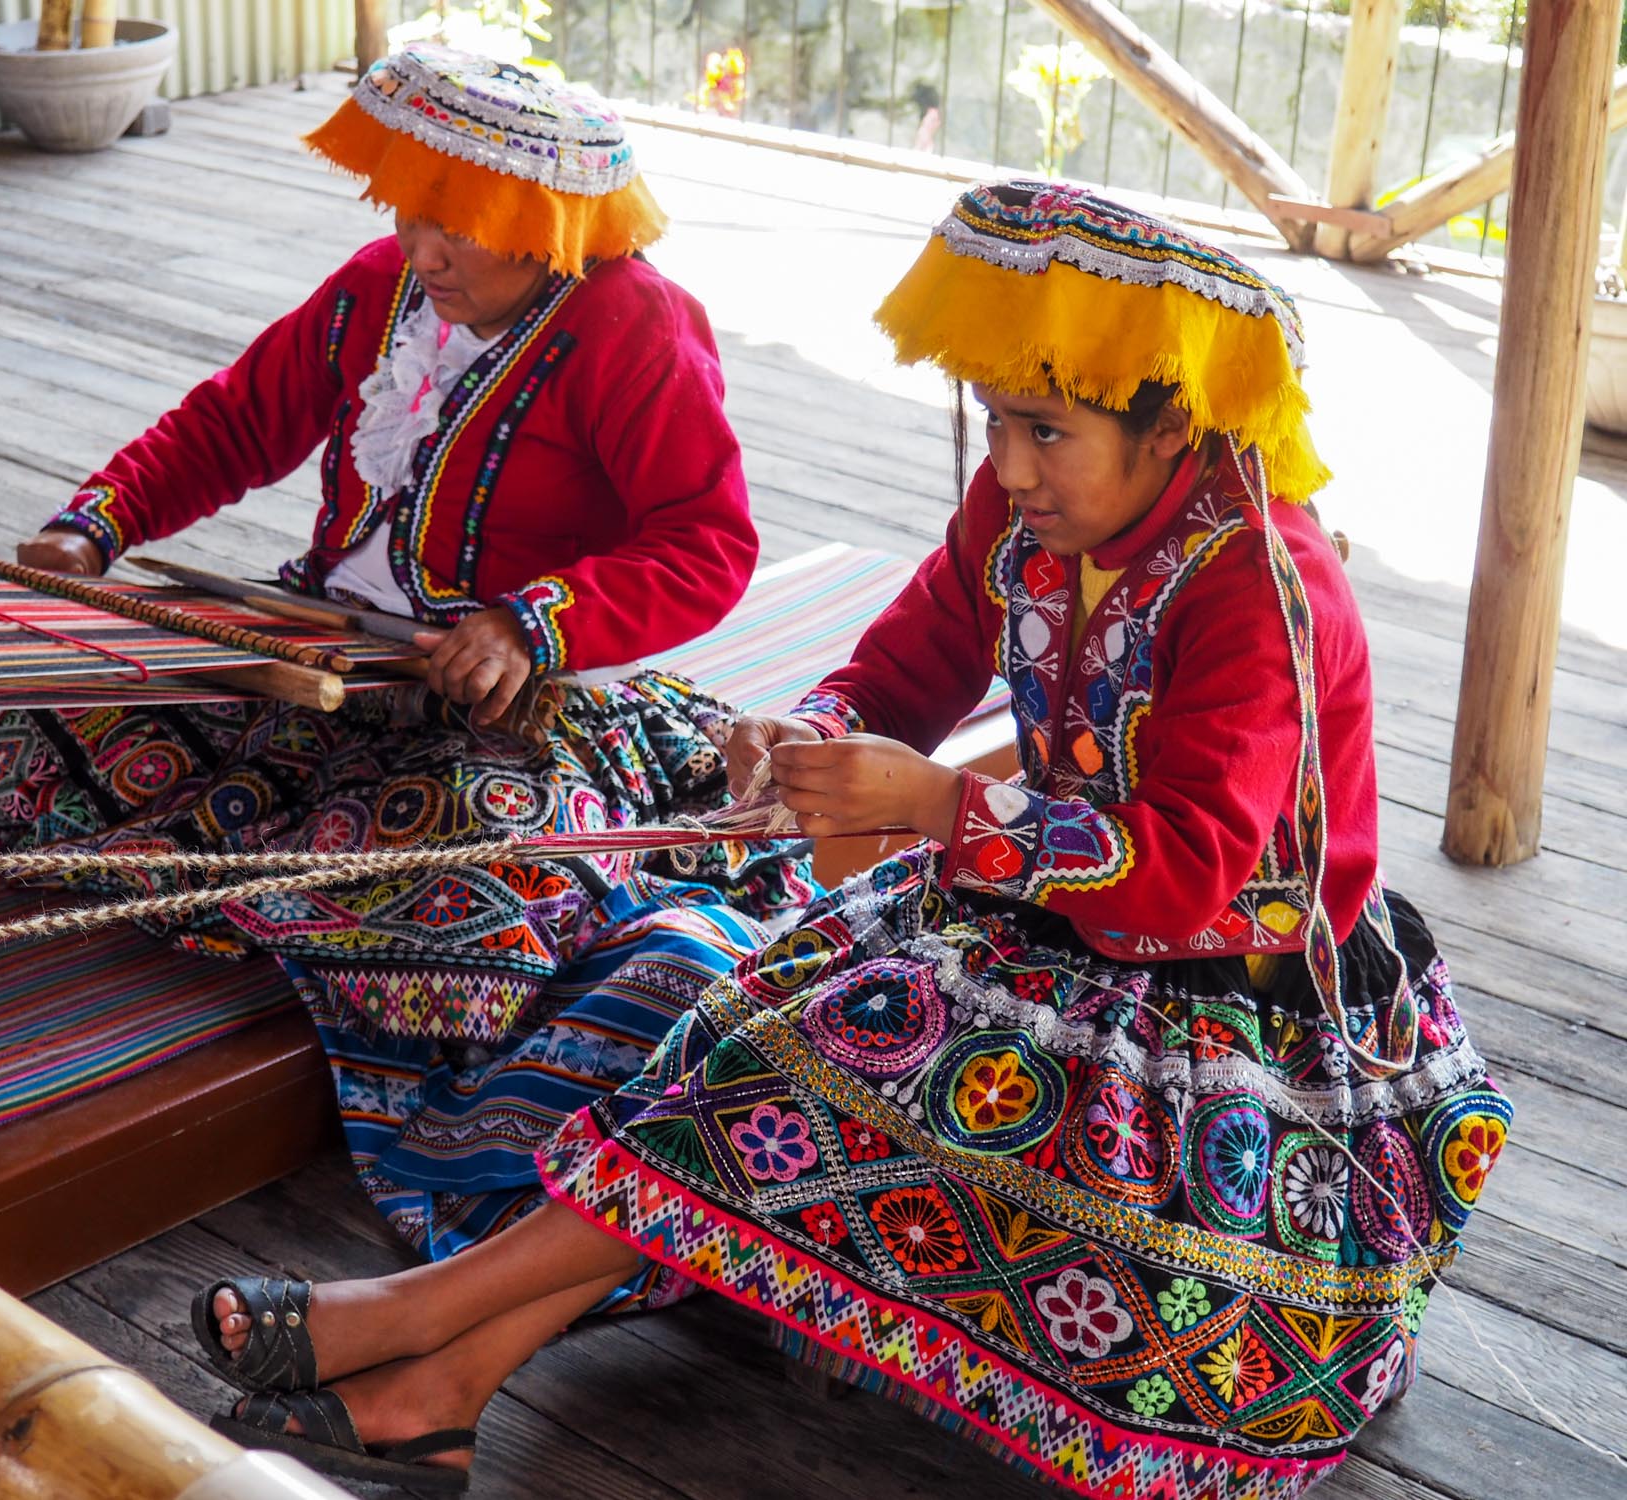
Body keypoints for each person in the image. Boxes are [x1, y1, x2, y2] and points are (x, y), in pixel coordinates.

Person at [197, 182, 1512, 1499]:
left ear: (1173, 426)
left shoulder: (1260, 592)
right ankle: (435, 1384)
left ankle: (421, 1334)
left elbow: (1182, 871)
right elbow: (909, 665)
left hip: (1230, 1006)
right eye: (996, 421)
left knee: (828, 1067)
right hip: (1039, 921)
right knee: (737, 1038)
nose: (1005, 467)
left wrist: (936, 806)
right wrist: (807, 735)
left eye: (1044, 430)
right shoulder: (1027, 518)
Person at [0, 44, 812, 1323]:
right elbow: (238, 420)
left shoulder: (631, 324)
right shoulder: (376, 292)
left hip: (499, 703)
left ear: (543, 227)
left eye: (459, 227)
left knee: (470, 881)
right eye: (410, 212)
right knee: (52, 738)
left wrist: (533, 622)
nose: (424, 249)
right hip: (311, 645)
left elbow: (706, 539)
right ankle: (235, 908)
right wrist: (97, 524)